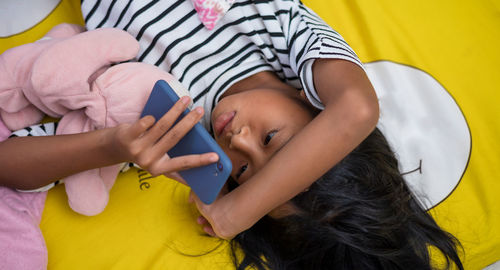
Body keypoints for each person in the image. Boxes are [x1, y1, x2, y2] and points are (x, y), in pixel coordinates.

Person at [0, 0, 463, 268]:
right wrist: (237, 209)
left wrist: (111, 145)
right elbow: (358, 109)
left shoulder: (173, 126)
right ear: (311, 105)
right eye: (271, 141)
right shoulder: (281, 36)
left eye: (242, 172)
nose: (237, 140)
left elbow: (9, 161)